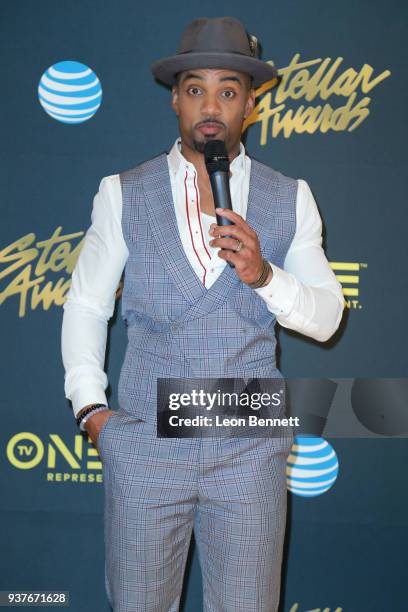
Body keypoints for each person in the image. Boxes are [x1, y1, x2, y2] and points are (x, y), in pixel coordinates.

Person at [61, 16, 344, 612]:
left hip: (250, 448)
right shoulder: (124, 191)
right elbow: (86, 302)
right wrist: (91, 409)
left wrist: (263, 275)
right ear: (175, 99)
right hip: (145, 446)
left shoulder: (290, 196)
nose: (210, 105)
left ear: (249, 105)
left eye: (228, 90)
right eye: (196, 89)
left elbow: (324, 318)